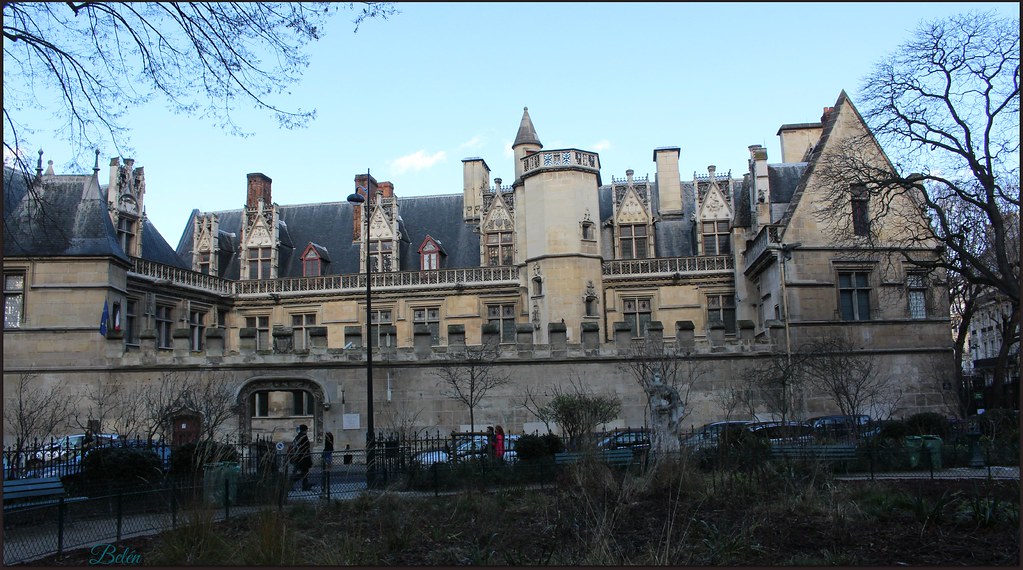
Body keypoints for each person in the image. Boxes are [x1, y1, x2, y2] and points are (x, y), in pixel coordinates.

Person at [289, 424, 313, 491]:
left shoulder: (297, 437)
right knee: (304, 473)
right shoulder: (304, 437)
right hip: (303, 458)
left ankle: (305, 485)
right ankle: (292, 480)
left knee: (305, 472)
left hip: (298, 457)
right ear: (305, 430)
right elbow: (305, 448)